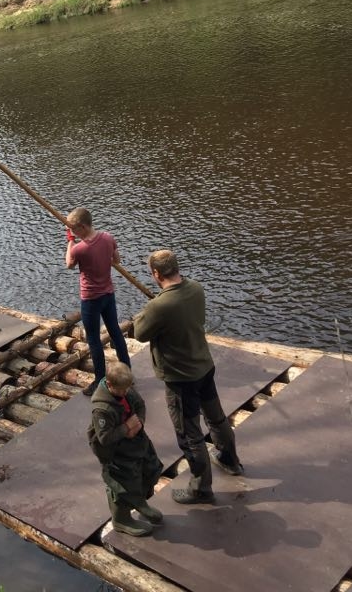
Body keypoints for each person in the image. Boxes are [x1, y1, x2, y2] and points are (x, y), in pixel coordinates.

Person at [133, 249, 243, 505]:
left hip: (181, 378)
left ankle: (200, 488)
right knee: (216, 418)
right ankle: (230, 460)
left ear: (156, 273)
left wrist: (143, 313)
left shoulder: (159, 305)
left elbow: (139, 332)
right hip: (204, 366)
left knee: (189, 433)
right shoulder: (196, 288)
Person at [88, 361, 165, 536]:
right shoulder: (102, 408)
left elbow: (140, 405)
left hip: (136, 442)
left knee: (149, 469)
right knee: (121, 484)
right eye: (121, 390)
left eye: (127, 389)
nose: (125, 393)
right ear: (109, 384)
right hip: (116, 452)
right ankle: (121, 520)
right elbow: (104, 438)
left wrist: (139, 422)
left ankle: (140, 503)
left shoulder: (126, 390)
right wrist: (126, 429)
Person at [65, 207, 131, 395]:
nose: (72, 233)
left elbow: (69, 264)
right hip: (108, 295)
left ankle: (100, 380)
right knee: (115, 333)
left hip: (91, 299)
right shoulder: (108, 237)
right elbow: (116, 260)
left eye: (73, 229)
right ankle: (127, 371)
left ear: (82, 227)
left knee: (93, 340)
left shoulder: (80, 248)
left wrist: (70, 241)